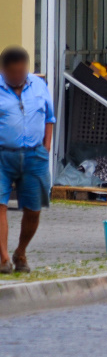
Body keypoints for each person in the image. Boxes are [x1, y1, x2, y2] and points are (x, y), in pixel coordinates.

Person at [0, 46, 55, 274]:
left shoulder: (39, 85)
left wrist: (47, 146)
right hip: (2, 156)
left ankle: (20, 252)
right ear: (3, 70)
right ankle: (3, 258)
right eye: (12, 73)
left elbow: (49, 117)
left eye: (21, 73)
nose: (17, 77)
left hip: (35, 156)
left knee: (33, 209)